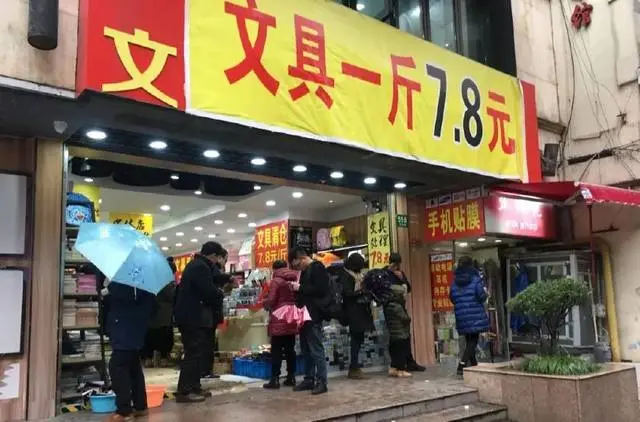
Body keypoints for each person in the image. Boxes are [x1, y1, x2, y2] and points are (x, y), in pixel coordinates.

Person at [174, 242, 225, 403]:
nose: (217, 261)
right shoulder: (200, 267)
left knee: (198, 353)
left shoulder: (197, 265)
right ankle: (185, 391)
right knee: (193, 353)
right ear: (214, 255)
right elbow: (209, 291)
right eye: (218, 257)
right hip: (193, 318)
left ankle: (194, 386)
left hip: (192, 317)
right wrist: (220, 293)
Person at [104, 281, 155, 421]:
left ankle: (124, 410)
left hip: (124, 327)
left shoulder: (125, 279)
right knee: (133, 366)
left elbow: (121, 295)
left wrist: (108, 287)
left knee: (117, 366)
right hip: (135, 328)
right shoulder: (145, 280)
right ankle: (140, 406)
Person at [288, 247, 330, 395]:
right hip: (304, 315)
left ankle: (322, 382)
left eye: (297, 265)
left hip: (314, 315)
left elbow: (321, 289)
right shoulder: (306, 271)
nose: (297, 268)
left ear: (302, 258)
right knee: (306, 350)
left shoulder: (318, 268)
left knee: (316, 349)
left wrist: (300, 287)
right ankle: (309, 379)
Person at [329, 253, 373, 380]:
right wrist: (361, 292)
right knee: (355, 339)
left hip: (359, 310)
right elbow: (347, 294)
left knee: (358, 339)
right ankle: (354, 368)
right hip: (352, 312)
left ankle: (355, 367)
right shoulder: (345, 275)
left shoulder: (355, 274)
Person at [262, 260, 299, 389]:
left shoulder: (276, 281)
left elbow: (271, 300)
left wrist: (264, 303)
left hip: (279, 316)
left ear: (274, 269)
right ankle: (291, 377)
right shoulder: (294, 279)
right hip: (291, 316)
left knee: (276, 350)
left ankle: (275, 379)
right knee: (290, 349)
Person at [386, 253, 426, 372]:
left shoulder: (400, 273)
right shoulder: (385, 274)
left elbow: (408, 288)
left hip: (401, 306)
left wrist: (401, 278)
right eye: (395, 263)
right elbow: (385, 289)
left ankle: (409, 362)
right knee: (397, 338)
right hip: (391, 308)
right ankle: (398, 364)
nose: (397, 266)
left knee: (405, 335)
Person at [450, 256, 489, 376]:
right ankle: (461, 365)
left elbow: (452, 297)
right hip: (474, 314)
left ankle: (473, 364)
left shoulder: (455, 280)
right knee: (473, 341)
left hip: (461, 315)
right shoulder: (475, 278)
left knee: (469, 341)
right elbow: (481, 296)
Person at [141, 257, 177, 368]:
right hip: (163, 313)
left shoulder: (149, 278)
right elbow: (171, 296)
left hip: (149, 312)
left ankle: (148, 359)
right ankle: (163, 359)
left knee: (149, 336)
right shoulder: (166, 280)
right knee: (163, 336)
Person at [201, 249, 229, 380]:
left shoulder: (205, 267)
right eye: (225, 259)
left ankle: (205, 371)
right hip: (207, 314)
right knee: (207, 344)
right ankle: (205, 370)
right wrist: (221, 293)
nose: (225, 262)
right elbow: (210, 291)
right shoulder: (207, 268)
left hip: (208, 314)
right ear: (216, 257)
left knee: (207, 343)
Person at [383, 282, 413, 378]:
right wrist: (408, 318)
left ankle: (393, 368)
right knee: (401, 352)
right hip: (401, 333)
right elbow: (405, 318)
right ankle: (401, 370)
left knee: (395, 352)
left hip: (393, 333)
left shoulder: (388, 304)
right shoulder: (397, 306)